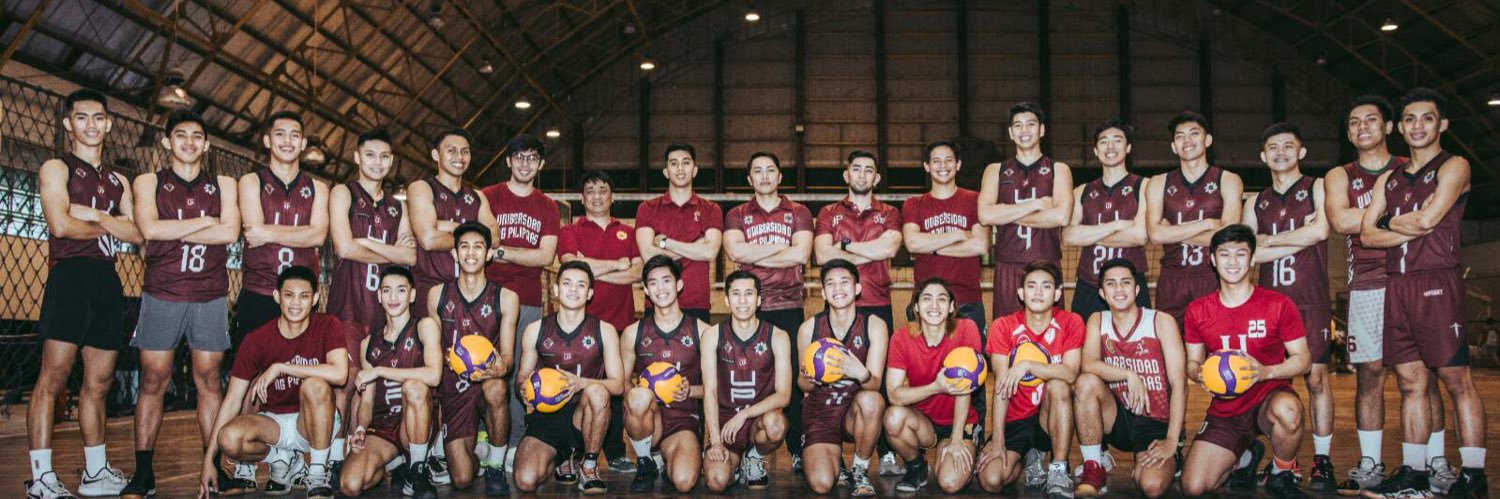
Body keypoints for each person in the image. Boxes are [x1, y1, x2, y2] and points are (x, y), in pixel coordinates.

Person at [1360, 88, 1487, 498]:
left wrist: (1389, 221)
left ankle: (1474, 477)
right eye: (1410, 119)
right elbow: (1366, 235)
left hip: (1436, 282)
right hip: (1396, 284)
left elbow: (1429, 220)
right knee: (1410, 382)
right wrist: (1404, 222)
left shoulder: (1455, 166)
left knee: (1455, 379)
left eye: (1427, 118)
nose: (1418, 126)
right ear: (1399, 127)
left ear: (1442, 124)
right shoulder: (1390, 178)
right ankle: (1414, 475)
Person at [1324, 94, 1448, 495]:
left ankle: (1436, 463)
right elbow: (1341, 220)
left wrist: (1375, 222)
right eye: (1354, 122)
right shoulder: (1341, 175)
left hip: (1412, 279)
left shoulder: (1410, 167)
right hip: (1366, 284)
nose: (1362, 127)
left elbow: (1433, 216)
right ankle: (1370, 463)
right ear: (1348, 133)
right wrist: (1399, 219)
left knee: (1423, 378)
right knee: (1369, 376)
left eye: (1371, 120)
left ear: (1388, 127)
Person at [27, 89, 143, 499]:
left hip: (107, 281)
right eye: (82, 118)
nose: (91, 125)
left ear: (108, 124)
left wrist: (95, 216)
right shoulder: (56, 168)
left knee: (100, 381)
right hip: (70, 277)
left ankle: (95, 473)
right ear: (68, 123)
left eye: (98, 118)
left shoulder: (119, 180)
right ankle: (41, 478)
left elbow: (138, 233)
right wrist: (113, 224)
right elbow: (60, 224)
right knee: (53, 377)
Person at [124, 109, 240, 499]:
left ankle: (215, 468)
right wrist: (205, 221)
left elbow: (230, 232)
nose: (189, 142)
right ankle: (144, 473)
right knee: (153, 380)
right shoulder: (148, 182)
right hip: (162, 292)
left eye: (196, 136)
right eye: (181, 135)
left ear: (206, 145)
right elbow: (149, 228)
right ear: (166, 141)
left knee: (209, 380)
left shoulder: (223, 184)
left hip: (210, 294)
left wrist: (175, 230)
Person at [1179, 225, 1310, 499]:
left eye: (1240, 254)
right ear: (1212, 259)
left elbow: (1303, 360)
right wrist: (1199, 373)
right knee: (1194, 487)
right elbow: (1192, 362)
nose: (1233, 262)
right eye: (1224, 254)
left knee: (1289, 411)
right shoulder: (1198, 310)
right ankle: (1244, 457)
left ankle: (1281, 472)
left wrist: (1265, 372)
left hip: (1268, 399)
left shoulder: (1278, 304)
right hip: (1227, 410)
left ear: (1252, 259)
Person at [197, 266, 348, 499]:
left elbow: (340, 374)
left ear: (315, 298)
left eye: (304, 296)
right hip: (275, 424)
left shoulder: (328, 325)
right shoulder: (257, 339)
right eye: (289, 295)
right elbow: (232, 400)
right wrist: (209, 461)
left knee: (314, 385)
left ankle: (317, 475)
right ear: (277, 296)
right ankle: (281, 459)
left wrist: (281, 367)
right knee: (228, 438)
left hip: (315, 421)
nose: (296, 303)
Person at [1242, 122, 1337, 490]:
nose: (1280, 152)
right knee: (1269, 381)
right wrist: (1298, 236)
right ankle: (1284, 460)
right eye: (1273, 147)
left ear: (1301, 151)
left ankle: (1323, 460)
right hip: (1270, 305)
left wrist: (1269, 240)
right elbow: (1249, 253)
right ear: (1263, 156)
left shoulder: (1317, 187)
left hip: (1310, 300)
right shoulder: (1255, 201)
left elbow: (1321, 231)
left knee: (1316, 378)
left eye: (1287, 146)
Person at [405, 128, 497, 482]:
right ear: (435, 155)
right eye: (451, 150)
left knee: (470, 369)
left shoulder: (477, 195)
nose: (460, 156)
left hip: (471, 295)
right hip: (433, 293)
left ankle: (459, 446)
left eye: (465, 150)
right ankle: (425, 450)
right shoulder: (421, 188)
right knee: (434, 373)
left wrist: (446, 225)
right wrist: (469, 230)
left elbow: (493, 238)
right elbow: (427, 238)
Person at [326, 128, 415, 473]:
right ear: (357, 157)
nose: (378, 162)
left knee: (375, 385)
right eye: (370, 155)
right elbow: (344, 247)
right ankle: (331, 458)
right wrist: (391, 252)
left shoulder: (397, 207)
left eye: (384, 156)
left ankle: (360, 451)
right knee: (345, 382)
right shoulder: (343, 193)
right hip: (348, 305)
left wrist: (368, 243)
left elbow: (410, 258)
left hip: (385, 309)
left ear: (392, 161)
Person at [722, 152, 813, 470]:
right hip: (749, 308)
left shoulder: (799, 212)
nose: (764, 176)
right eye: (757, 171)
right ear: (749, 179)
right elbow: (735, 251)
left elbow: (801, 254)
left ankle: (797, 449)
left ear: (779, 176)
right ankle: (741, 445)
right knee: (748, 377)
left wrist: (754, 254)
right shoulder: (736, 214)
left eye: (770, 170)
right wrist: (783, 249)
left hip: (788, 306)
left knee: (793, 382)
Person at [1070, 259, 1184, 498]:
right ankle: (1094, 468)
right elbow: (1088, 363)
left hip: (1156, 421)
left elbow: (1180, 385)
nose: (1119, 289)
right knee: (1086, 382)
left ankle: (1169, 458)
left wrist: (1171, 440)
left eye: (1125, 282)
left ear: (1137, 289)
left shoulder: (1161, 321)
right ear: (1102, 293)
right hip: (1119, 416)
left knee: (1151, 486)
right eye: (1111, 284)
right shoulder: (1098, 320)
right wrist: (1128, 374)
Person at [481, 134, 562, 464]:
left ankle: (514, 441)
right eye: (519, 157)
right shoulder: (489, 197)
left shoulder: (547, 206)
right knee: (481, 366)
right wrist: (519, 254)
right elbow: (478, 246)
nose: (525, 163)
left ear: (540, 164)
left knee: (518, 371)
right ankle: (482, 436)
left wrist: (499, 251)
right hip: (487, 297)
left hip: (527, 299)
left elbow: (545, 257)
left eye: (532, 158)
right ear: (508, 160)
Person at [511, 261, 624, 495]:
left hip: (583, 416)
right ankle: (563, 457)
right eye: (567, 283)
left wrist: (582, 383)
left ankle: (588, 464)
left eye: (581, 285)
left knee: (597, 391)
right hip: (546, 417)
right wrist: (523, 389)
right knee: (525, 480)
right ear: (555, 289)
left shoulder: (605, 331)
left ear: (590, 293)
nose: (573, 289)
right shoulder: (535, 330)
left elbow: (618, 385)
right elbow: (522, 375)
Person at [556, 171, 642, 472]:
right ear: (582, 198)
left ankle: (616, 452)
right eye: (590, 191)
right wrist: (617, 265)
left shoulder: (628, 232)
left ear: (612, 196)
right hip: (579, 325)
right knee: (577, 388)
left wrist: (591, 268)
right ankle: (573, 450)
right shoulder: (570, 231)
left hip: (619, 325)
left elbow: (637, 273)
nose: (597, 196)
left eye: (603, 190)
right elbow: (571, 265)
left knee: (615, 389)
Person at [976, 261, 1085, 498]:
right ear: (1021, 293)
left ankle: (1058, 468)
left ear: (1057, 294)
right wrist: (998, 441)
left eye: (1046, 286)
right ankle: (1027, 458)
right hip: (1015, 418)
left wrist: (1027, 365)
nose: (1038, 292)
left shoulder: (1071, 322)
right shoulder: (1003, 326)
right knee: (991, 480)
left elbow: (1070, 373)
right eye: (1031, 286)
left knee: (1058, 385)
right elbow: (1001, 387)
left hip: (1049, 417)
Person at [427, 222, 520, 495]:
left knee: (497, 388)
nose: (471, 253)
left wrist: (499, 369)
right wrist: (445, 358)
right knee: (462, 479)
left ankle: (496, 465)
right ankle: (478, 452)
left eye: (478, 247)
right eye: (464, 247)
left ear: (489, 253)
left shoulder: (506, 297)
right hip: (454, 386)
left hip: (486, 381)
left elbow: (508, 358)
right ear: (454, 254)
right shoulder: (437, 295)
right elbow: (433, 351)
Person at [338, 266, 441, 499]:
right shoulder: (368, 343)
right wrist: (361, 428)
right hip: (384, 427)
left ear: (412, 295)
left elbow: (434, 375)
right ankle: (394, 464)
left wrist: (379, 370)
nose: (393, 297)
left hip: (417, 421)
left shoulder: (424, 327)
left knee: (414, 387)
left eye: (401, 290)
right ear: (379, 296)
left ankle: (417, 470)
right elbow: (367, 401)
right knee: (350, 484)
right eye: (387, 290)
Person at [620, 256, 715, 493]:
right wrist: (641, 395)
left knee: (684, 481)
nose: (660, 288)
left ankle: (664, 459)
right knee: (638, 396)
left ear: (679, 285)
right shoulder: (633, 333)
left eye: (666, 281)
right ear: (646, 290)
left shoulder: (703, 331)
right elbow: (622, 383)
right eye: (653, 283)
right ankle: (645, 460)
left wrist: (690, 390)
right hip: (648, 420)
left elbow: (716, 387)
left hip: (683, 419)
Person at [234, 111, 329, 345]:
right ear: (267, 141)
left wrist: (267, 233)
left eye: (294, 135)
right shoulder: (251, 181)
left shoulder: (318, 188)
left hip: (301, 297)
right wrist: (302, 234)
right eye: (280, 134)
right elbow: (253, 232)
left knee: (300, 365)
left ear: (303, 144)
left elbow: (318, 235)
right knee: (252, 364)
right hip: (259, 291)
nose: (287, 141)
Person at [797, 259, 889, 497]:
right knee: (822, 484)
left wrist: (859, 372)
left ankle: (859, 471)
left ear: (857, 288)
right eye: (830, 284)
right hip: (820, 414)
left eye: (844, 282)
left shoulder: (874, 326)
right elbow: (801, 384)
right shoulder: (808, 328)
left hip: (853, 413)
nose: (838, 288)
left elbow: (875, 384)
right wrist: (811, 378)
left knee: (872, 401)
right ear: (823, 293)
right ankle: (833, 462)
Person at [883, 278, 984, 494]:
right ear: (916, 307)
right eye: (927, 299)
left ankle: (966, 449)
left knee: (949, 483)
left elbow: (964, 387)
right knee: (893, 418)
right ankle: (916, 465)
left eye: (942, 299)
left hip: (960, 421)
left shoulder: (966, 329)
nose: (934, 305)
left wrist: (956, 439)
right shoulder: (902, 337)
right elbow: (894, 395)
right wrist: (936, 387)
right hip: (924, 424)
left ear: (951, 307)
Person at [1146, 111, 1244, 325]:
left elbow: (1228, 237)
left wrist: (1171, 232)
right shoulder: (1158, 182)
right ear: (1174, 146)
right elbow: (1155, 235)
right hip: (1172, 277)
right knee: (1170, 343)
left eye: (1194, 134)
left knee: (1214, 341)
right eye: (1180, 136)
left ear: (1207, 140)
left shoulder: (1228, 180)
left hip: (1211, 275)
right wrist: (1207, 224)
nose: (1187, 140)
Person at [979, 102, 1073, 318]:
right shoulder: (995, 171)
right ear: (1011, 133)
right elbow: (985, 216)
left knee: (1051, 332)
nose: (1024, 130)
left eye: (1031, 124)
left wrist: (1005, 214)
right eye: (1018, 125)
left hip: (1047, 262)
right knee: (1007, 331)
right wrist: (1037, 204)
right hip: (1008, 264)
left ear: (1042, 130)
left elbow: (1062, 216)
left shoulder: (1059, 169)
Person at [701, 271, 793, 492]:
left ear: (759, 300)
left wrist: (744, 414)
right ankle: (734, 466)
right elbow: (710, 391)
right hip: (726, 427)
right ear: (726, 299)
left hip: (758, 423)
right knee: (716, 481)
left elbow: (784, 395)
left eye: (749, 294)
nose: (742, 300)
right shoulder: (712, 336)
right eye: (736, 294)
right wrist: (716, 441)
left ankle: (753, 457)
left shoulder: (778, 336)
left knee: (776, 425)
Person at [1063, 121, 1150, 321]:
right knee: (1086, 339)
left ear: (1128, 147)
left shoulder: (1144, 186)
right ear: (1096, 150)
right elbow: (1068, 236)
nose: (1110, 146)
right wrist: (1117, 225)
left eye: (1117, 140)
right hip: (1089, 284)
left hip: (1130, 285)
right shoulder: (1081, 191)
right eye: (1103, 142)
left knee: (1136, 339)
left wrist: (1088, 235)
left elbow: (1139, 235)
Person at [902, 141, 989, 330]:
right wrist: (958, 234)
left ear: (958, 164)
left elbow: (980, 245)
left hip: (967, 300)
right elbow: (912, 243)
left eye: (949, 160)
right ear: (927, 166)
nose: (943, 166)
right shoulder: (913, 204)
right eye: (936, 161)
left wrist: (931, 248)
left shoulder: (975, 200)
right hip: (926, 301)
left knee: (970, 351)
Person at [634, 143, 723, 323]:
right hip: (658, 301)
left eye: (686, 162)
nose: (680, 168)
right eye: (674, 163)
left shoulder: (711, 209)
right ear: (666, 172)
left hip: (697, 304)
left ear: (694, 170)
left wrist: (666, 243)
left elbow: (710, 252)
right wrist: (697, 244)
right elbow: (649, 256)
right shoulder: (647, 208)